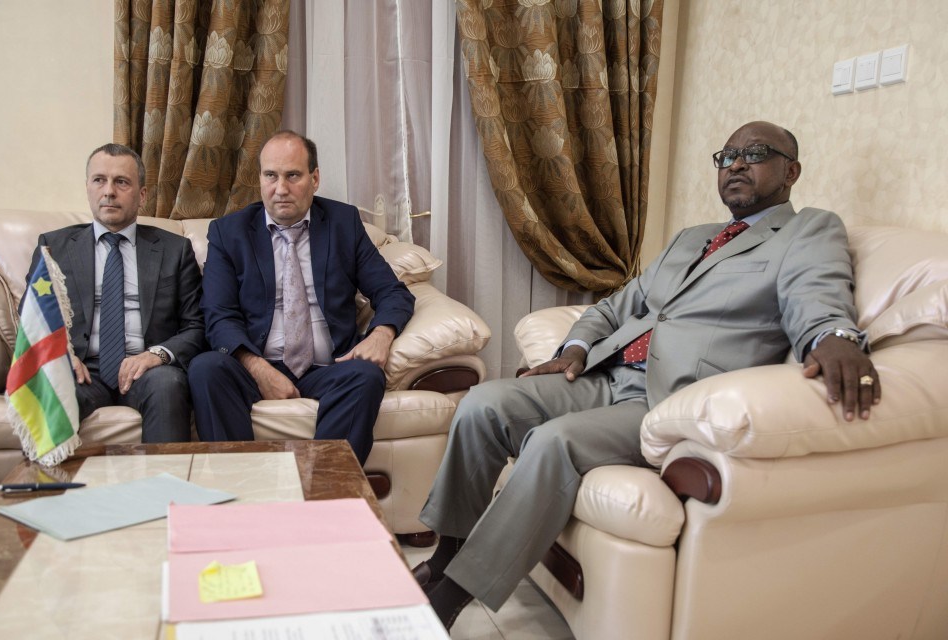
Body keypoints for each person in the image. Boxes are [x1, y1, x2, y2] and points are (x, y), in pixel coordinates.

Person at [414, 121, 883, 629]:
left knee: (554, 441)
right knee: (483, 404)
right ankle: (446, 554)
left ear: (791, 172)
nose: (735, 165)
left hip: (669, 400)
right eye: (726, 156)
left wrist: (834, 336)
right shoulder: (691, 238)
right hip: (606, 374)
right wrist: (577, 347)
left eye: (755, 154)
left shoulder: (806, 230)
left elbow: (817, 294)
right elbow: (617, 306)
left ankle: (452, 596)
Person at [188, 130, 415, 465]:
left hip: (328, 366)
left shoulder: (343, 223)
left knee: (366, 376)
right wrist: (260, 370)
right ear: (260, 179)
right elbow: (218, 315)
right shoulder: (229, 232)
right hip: (255, 365)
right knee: (206, 368)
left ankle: (321, 486)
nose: (281, 189)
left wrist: (382, 334)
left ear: (315, 178)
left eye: (293, 176)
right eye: (271, 176)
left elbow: (391, 291)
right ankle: (239, 484)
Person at [24, 143, 205, 442]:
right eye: (99, 180)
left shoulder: (175, 250)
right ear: (87, 187)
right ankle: (45, 474)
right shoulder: (54, 247)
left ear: (142, 195)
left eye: (121, 182)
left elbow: (196, 325)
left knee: (168, 384)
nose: (109, 191)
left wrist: (156, 355)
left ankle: (166, 475)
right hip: (81, 368)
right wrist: (60, 355)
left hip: (147, 369)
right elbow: (31, 317)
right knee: (52, 388)